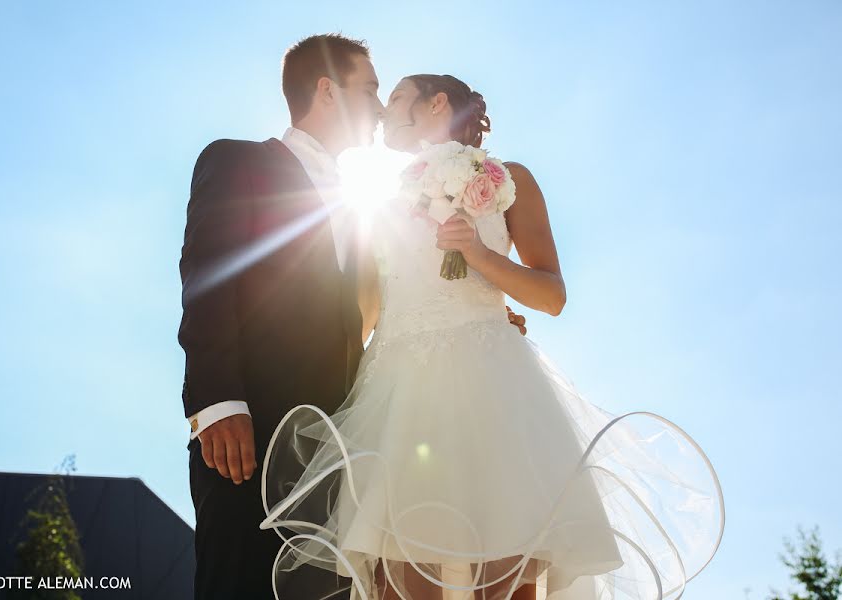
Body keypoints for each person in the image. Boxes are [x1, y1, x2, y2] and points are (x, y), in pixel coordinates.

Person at [258, 74, 726, 599]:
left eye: (396, 98)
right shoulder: (378, 204)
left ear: (436, 102)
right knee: (398, 571)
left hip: (490, 384)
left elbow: (552, 294)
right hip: (396, 391)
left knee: (505, 566)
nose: (385, 110)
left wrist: (479, 257)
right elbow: (366, 310)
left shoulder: (508, 179)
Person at [178, 36, 528, 599]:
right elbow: (208, 274)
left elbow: (375, 307)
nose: (379, 107)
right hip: (252, 429)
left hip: (344, 438)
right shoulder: (238, 159)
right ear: (327, 91)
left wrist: (475, 321)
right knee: (239, 577)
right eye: (369, 89)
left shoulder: (366, 204)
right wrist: (217, 400)